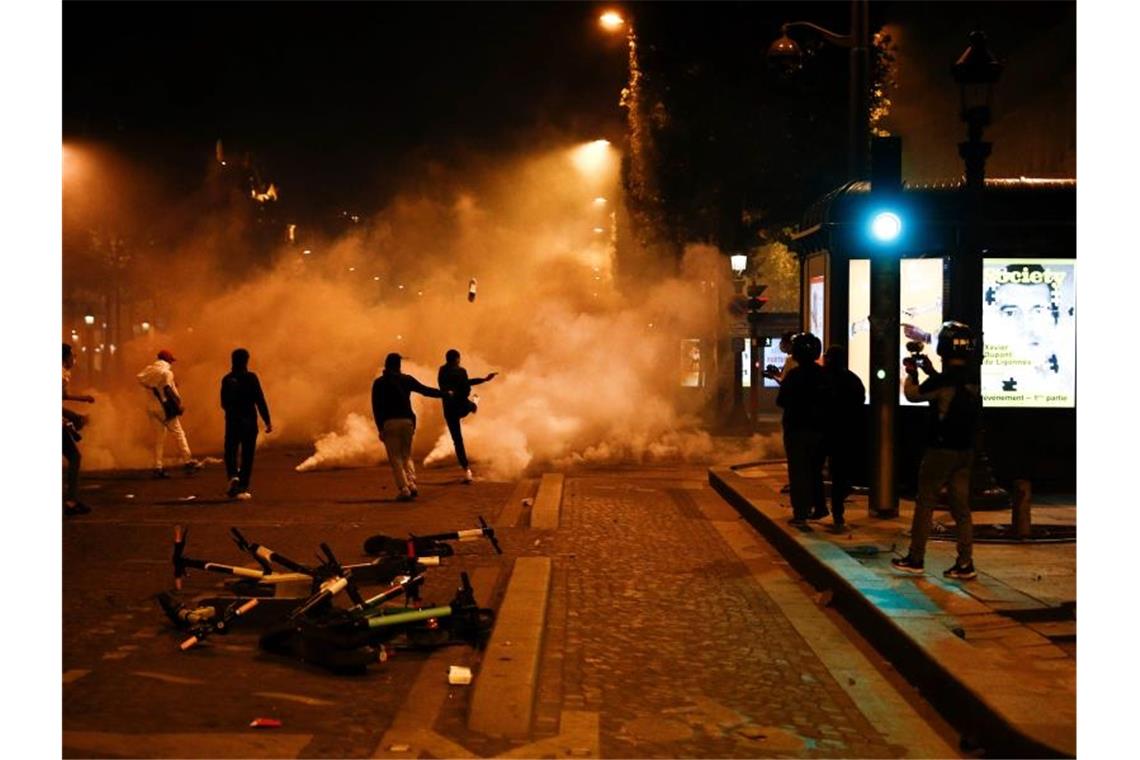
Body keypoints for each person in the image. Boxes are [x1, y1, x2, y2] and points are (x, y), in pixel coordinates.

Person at [891, 321, 980, 580]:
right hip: (965, 451)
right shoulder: (972, 379)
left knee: (925, 502)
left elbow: (913, 394)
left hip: (941, 450)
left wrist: (912, 373)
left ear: (943, 347)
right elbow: (948, 392)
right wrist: (930, 371)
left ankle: (916, 557)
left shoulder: (943, 380)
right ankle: (965, 563)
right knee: (961, 509)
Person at [371, 353, 444, 501]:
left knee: (395, 458)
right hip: (407, 421)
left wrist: (380, 428)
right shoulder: (406, 379)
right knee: (406, 455)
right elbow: (426, 390)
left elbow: (376, 408)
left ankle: (404, 489)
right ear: (398, 365)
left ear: (386, 365)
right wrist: (446, 394)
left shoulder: (379, 383)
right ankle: (412, 484)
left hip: (390, 423)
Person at [776, 332, 830, 527]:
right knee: (815, 470)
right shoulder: (824, 375)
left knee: (799, 471)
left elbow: (781, 401)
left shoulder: (794, 376)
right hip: (820, 431)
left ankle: (801, 512)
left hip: (797, 429)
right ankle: (820, 506)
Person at [137, 349, 201, 478]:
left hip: (151, 408)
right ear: (168, 360)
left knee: (159, 438)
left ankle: (158, 467)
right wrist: (177, 406)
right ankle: (188, 461)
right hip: (164, 408)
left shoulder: (148, 370)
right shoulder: (167, 372)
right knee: (179, 434)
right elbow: (167, 390)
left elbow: (148, 382)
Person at [822, 345, 865, 532]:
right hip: (847, 432)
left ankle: (822, 508)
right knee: (842, 474)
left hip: (827, 431)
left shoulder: (823, 379)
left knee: (822, 469)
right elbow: (860, 402)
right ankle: (837, 512)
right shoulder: (852, 379)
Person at [438, 349, 497, 484]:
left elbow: (444, 386)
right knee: (472, 407)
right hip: (461, 405)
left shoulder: (442, 370)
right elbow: (466, 386)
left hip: (449, 409)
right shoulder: (461, 371)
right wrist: (484, 380)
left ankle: (466, 470)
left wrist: (483, 379)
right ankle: (475, 403)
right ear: (457, 359)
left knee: (457, 440)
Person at [220, 348, 272, 500]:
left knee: (230, 451)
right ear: (246, 360)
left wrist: (232, 411)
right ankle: (243, 487)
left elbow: (223, 403)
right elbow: (260, 400)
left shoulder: (227, 379)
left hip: (232, 422)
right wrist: (267, 421)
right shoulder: (251, 378)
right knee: (247, 455)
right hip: (249, 422)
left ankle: (233, 476)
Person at [63, 343, 95, 515]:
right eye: (72, 356)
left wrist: (75, 413)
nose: (74, 359)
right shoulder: (61, 374)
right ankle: (71, 501)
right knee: (74, 457)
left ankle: (71, 500)